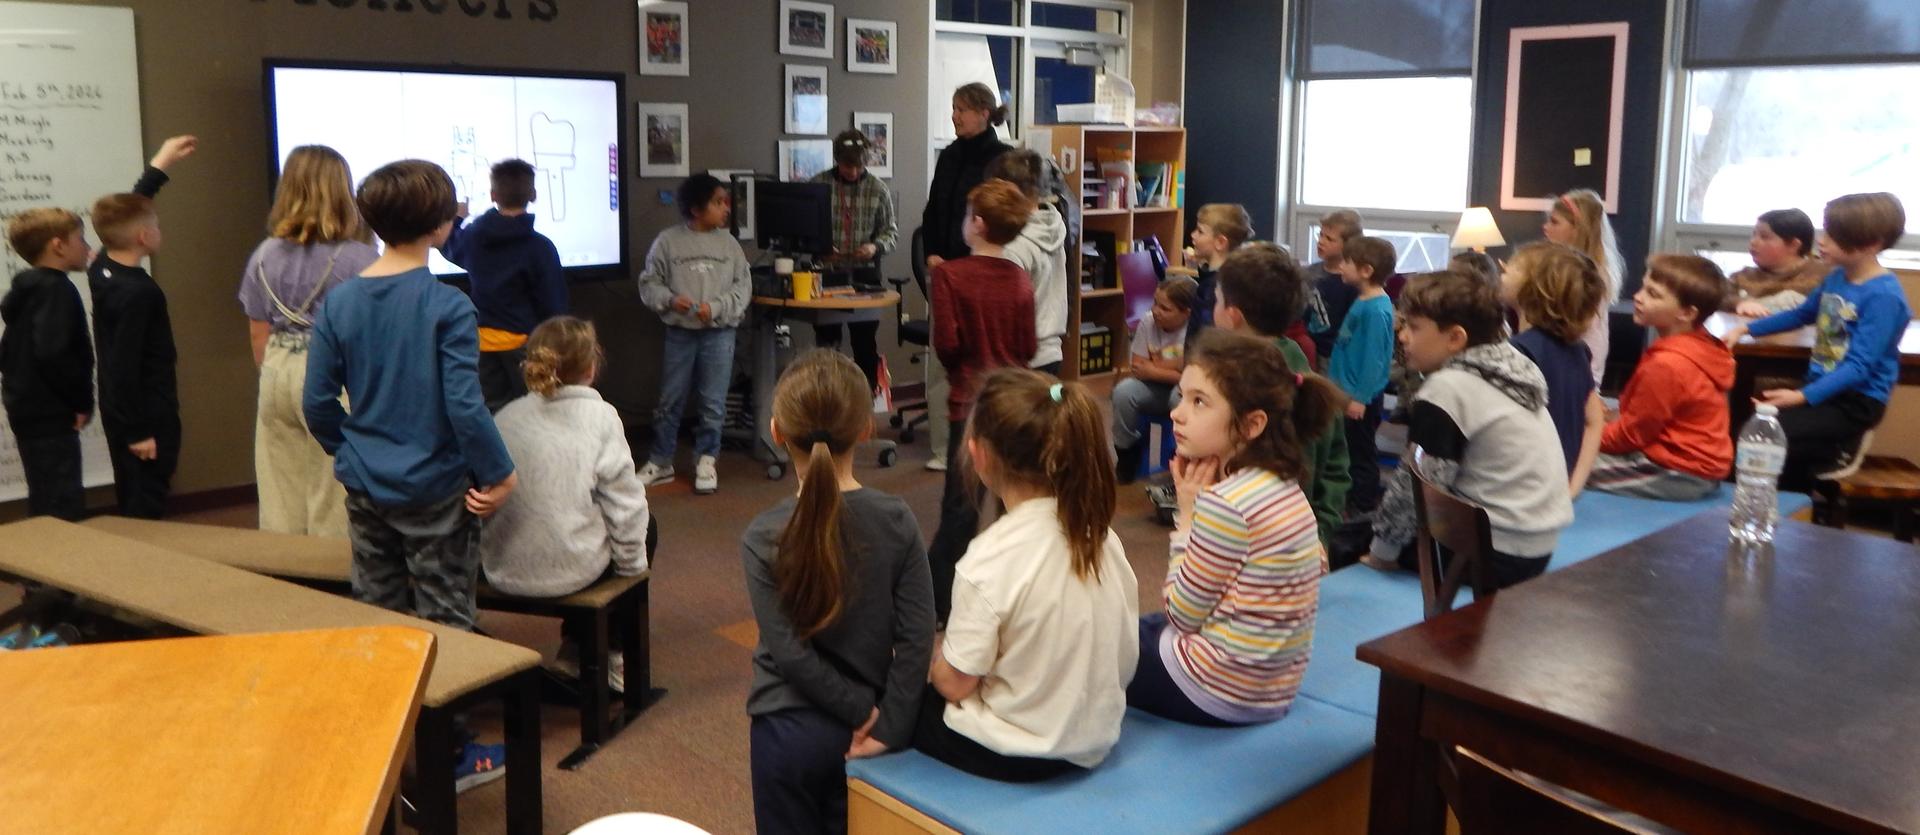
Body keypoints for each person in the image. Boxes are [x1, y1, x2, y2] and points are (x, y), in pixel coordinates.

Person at [303, 159, 518, 787]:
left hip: (366, 486)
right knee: (445, 616)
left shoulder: (341, 301)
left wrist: (351, 451)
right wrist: (501, 474)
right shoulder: (447, 305)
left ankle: (384, 742)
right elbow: (465, 407)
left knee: (378, 610)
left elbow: (317, 403)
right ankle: (448, 757)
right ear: (441, 226)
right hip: (437, 489)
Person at [743, 350, 934, 835]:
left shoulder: (763, 534)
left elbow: (790, 653)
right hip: (875, 732)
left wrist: (859, 712)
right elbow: (917, 638)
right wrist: (888, 722)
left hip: (788, 733)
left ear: (776, 431)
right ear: (867, 429)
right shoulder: (897, 519)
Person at [918, 369, 1137, 781]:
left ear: (979, 455)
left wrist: (936, 664)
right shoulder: (1102, 538)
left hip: (1020, 755)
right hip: (1094, 738)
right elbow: (1125, 658)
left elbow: (955, 685)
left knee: (901, 694)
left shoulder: (989, 558)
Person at [1128, 329, 1334, 726]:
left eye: (1199, 402)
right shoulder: (1283, 485)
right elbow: (1315, 565)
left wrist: (1187, 516)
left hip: (1215, 690)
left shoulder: (1227, 504)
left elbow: (1181, 615)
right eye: (1182, 397)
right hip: (1271, 689)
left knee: (1098, 645)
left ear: (1251, 425)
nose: (1177, 413)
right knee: (1135, 627)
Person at [1361, 272, 1573, 591]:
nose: (1402, 336)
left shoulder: (1448, 389)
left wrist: (1381, 554)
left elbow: (1416, 486)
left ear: (1455, 338)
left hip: (1492, 553)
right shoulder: (1512, 368)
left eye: (1414, 327)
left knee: (1352, 538)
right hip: (1536, 548)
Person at [1722, 192, 1910, 491]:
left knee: (1776, 438)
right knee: (1754, 432)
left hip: (1856, 402)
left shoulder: (1883, 297)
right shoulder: (1836, 279)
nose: (1822, 241)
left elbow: (1859, 366)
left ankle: (1835, 455)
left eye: (1834, 237)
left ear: (1871, 244)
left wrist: (1801, 397)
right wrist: (1746, 329)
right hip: (1821, 392)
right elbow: (1801, 314)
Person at [241, 145, 379, 537]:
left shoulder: (263, 254)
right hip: (334, 378)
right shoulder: (360, 259)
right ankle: (331, 569)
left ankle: (283, 566)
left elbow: (258, 331)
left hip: (277, 371)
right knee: (333, 490)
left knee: (279, 485)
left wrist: (275, 373)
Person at [925, 180, 1037, 620]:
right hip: (1013, 403)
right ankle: (1013, 599)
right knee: (1014, 504)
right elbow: (1027, 347)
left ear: (977, 224)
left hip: (968, 403)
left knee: (961, 507)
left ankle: (939, 603)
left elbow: (947, 346)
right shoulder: (1020, 278)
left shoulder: (948, 275)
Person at [1206, 243, 1350, 549]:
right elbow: (1337, 470)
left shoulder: (1248, 386)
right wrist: (1321, 533)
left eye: (1216, 299)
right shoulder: (1309, 377)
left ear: (1232, 315)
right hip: (1299, 539)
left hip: (1250, 541)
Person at [87, 134, 198, 519]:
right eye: (156, 224)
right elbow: (124, 366)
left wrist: (160, 165)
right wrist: (139, 431)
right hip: (146, 415)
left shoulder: (102, 267)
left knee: (134, 492)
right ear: (144, 236)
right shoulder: (138, 293)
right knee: (145, 503)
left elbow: (129, 210)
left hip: (121, 413)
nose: (159, 228)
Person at [635, 173, 752, 495]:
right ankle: (661, 460)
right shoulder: (667, 241)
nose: (726, 208)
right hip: (680, 333)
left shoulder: (729, 245)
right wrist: (671, 300)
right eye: (718, 202)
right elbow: (649, 284)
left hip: (719, 333)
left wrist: (715, 307)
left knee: (713, 402)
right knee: (670, 400)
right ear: (697, 209)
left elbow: (743, 288)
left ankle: (706, 459)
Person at [921, 82, 1015, 472]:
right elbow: (933, 211)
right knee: (943, 358)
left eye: (961, 109)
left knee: (981, 362)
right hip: (943, 271)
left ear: (983, 113)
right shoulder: (948, 156)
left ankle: (983, 446)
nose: (954, 115)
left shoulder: (1002, 158)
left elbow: (1001, 218)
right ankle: (944, 449)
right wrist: (931, 253)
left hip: (981, 273)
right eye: (954, 108)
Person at [1592, 255, 1733, 500]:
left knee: (1563, 462)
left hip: (1678, 472)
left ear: (1687, 313)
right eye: (1643, 287)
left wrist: (1587, 434)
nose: (1638, 297)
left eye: (1653, 294)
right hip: (1689, 466)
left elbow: (1631, 435)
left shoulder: (1668, 364)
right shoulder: (1696, 345)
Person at [439, 158, 569, 412]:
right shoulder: (540, 248)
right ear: (533, 195)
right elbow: (554, 304)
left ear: (493, 195)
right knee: (533, 410)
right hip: (525, 345)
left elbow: (450, 245)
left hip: (483, 343)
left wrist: (456, 218)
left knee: (492, 412)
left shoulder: (474, 237)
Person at [1, 208, 95, 520]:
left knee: (45, 493)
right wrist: (80, 401)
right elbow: (54, 353)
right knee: (62, 501)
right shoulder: (57, 289)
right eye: (80, 238)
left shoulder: (27, 291)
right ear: (58, 246)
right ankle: (61, 550)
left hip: (27, 408)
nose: (87, 246)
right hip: (52, 411)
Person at [1500, 242, 1606, 495]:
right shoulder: (1578, 350)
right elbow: (1595, 421)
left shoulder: (1518, 353)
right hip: (1553, 489)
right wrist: (1573, 486)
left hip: (1521, 491)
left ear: (1535, 287)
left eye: (1513, 267)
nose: (1503, 270)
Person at [809, 129, 899, 391]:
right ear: (837, 160)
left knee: (864, 343)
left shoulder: (878, 189)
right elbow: (805, 230)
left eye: (859, 166)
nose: (854, 171)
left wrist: (874, 246)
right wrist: (819, 247)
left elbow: (890, 233)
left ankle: (867, 397)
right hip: (828, 273)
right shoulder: (818, 185)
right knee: (827, 343)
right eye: (848, 166)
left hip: (865, 274)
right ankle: (828, 395)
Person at [1326, 236, 1396, 513]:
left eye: (1347, 262)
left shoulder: (1376, 310)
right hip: (1346, 392)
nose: (1341, 266)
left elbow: (1375, 360)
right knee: (1348, 450)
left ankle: (1363, 507)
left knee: (1361, 454)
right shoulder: (1364, 300)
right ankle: (1350, 500)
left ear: (1366, 270)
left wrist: (1360, 398)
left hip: (1359, 398)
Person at [985, 149, 1068, 377]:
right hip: (1052, 352)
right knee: (1048, 400)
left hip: (1022, 357)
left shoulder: (1014, 245)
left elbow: (1006, 311)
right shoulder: (1053, 225)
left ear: (1009, 192)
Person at [1112, 276, 1196, 484]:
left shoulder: (1194, 331)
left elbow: (1193, 377)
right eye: (1155, 303)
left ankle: (1183, 459)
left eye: (1165, 308)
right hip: (1154, 388)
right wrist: (1175, 367)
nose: (1156, 311)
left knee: (1178, 399)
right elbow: (1138, 367)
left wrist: (1154, 369)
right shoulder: (1148, 322)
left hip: (1183, 389)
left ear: (1186, 313)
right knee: (1123, 392)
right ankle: (1126, 454)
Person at [1542, 189, 1624, 386]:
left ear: (1578, 229)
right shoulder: (1571, 267)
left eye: (1554, 222)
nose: (1545, 227)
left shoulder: (1588, 275)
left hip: (1580, 366)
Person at [1725, 208, 1828, 316]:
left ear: (1793, 245)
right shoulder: (1743, 277)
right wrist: (1739, 303)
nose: (1753, 242)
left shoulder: (1823, 276)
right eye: (1754, 234)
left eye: (1764, 237)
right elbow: (1720, 295)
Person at [1305, 209, 1364, 360]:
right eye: (1321, 235)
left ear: (1348, 245)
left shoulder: (1352, 282)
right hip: (1307, 349)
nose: (1321, 241)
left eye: (1329, 239)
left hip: (1335, 355)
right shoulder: (1309, 273)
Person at [1188, 203, 1250, 334]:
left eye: (1200, 232)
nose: (1193, 235)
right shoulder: (1219, 278)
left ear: (1220, 242)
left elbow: (1205, 332)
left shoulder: (1215, 286)